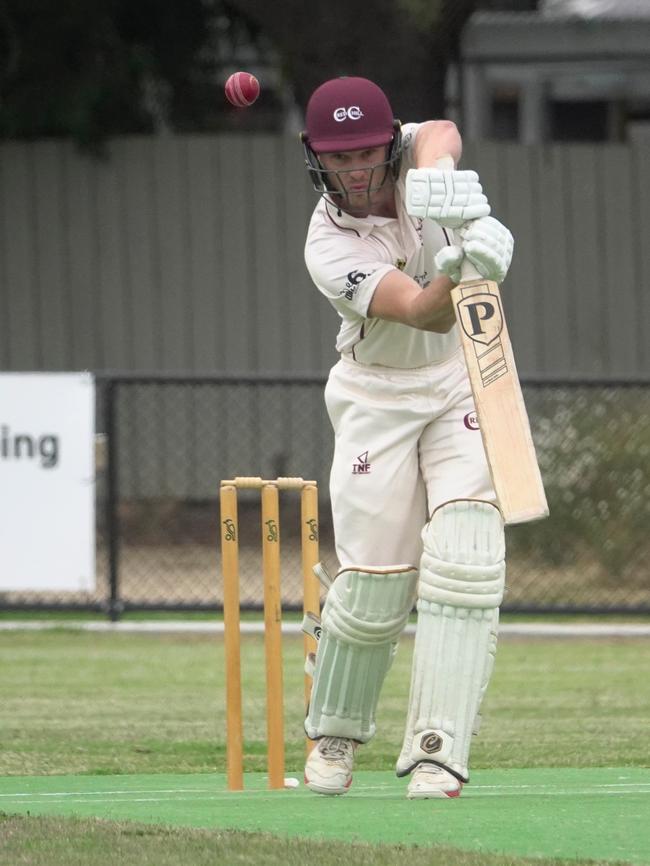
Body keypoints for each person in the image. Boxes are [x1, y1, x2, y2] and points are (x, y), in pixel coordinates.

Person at [299, 76, 514, 800]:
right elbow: (423, 313)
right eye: (338, 158)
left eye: (366, 153)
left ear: (388, 144)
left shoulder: (414, 152)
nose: (355, 171)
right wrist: (469, 267)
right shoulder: (327, 242)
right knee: (374, 587)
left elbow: (443, 131)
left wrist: (442, 186)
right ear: (317, 160)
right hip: (376, 396)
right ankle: (334, 729)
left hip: (459, 381)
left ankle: (437, 750)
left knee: (468, 558)